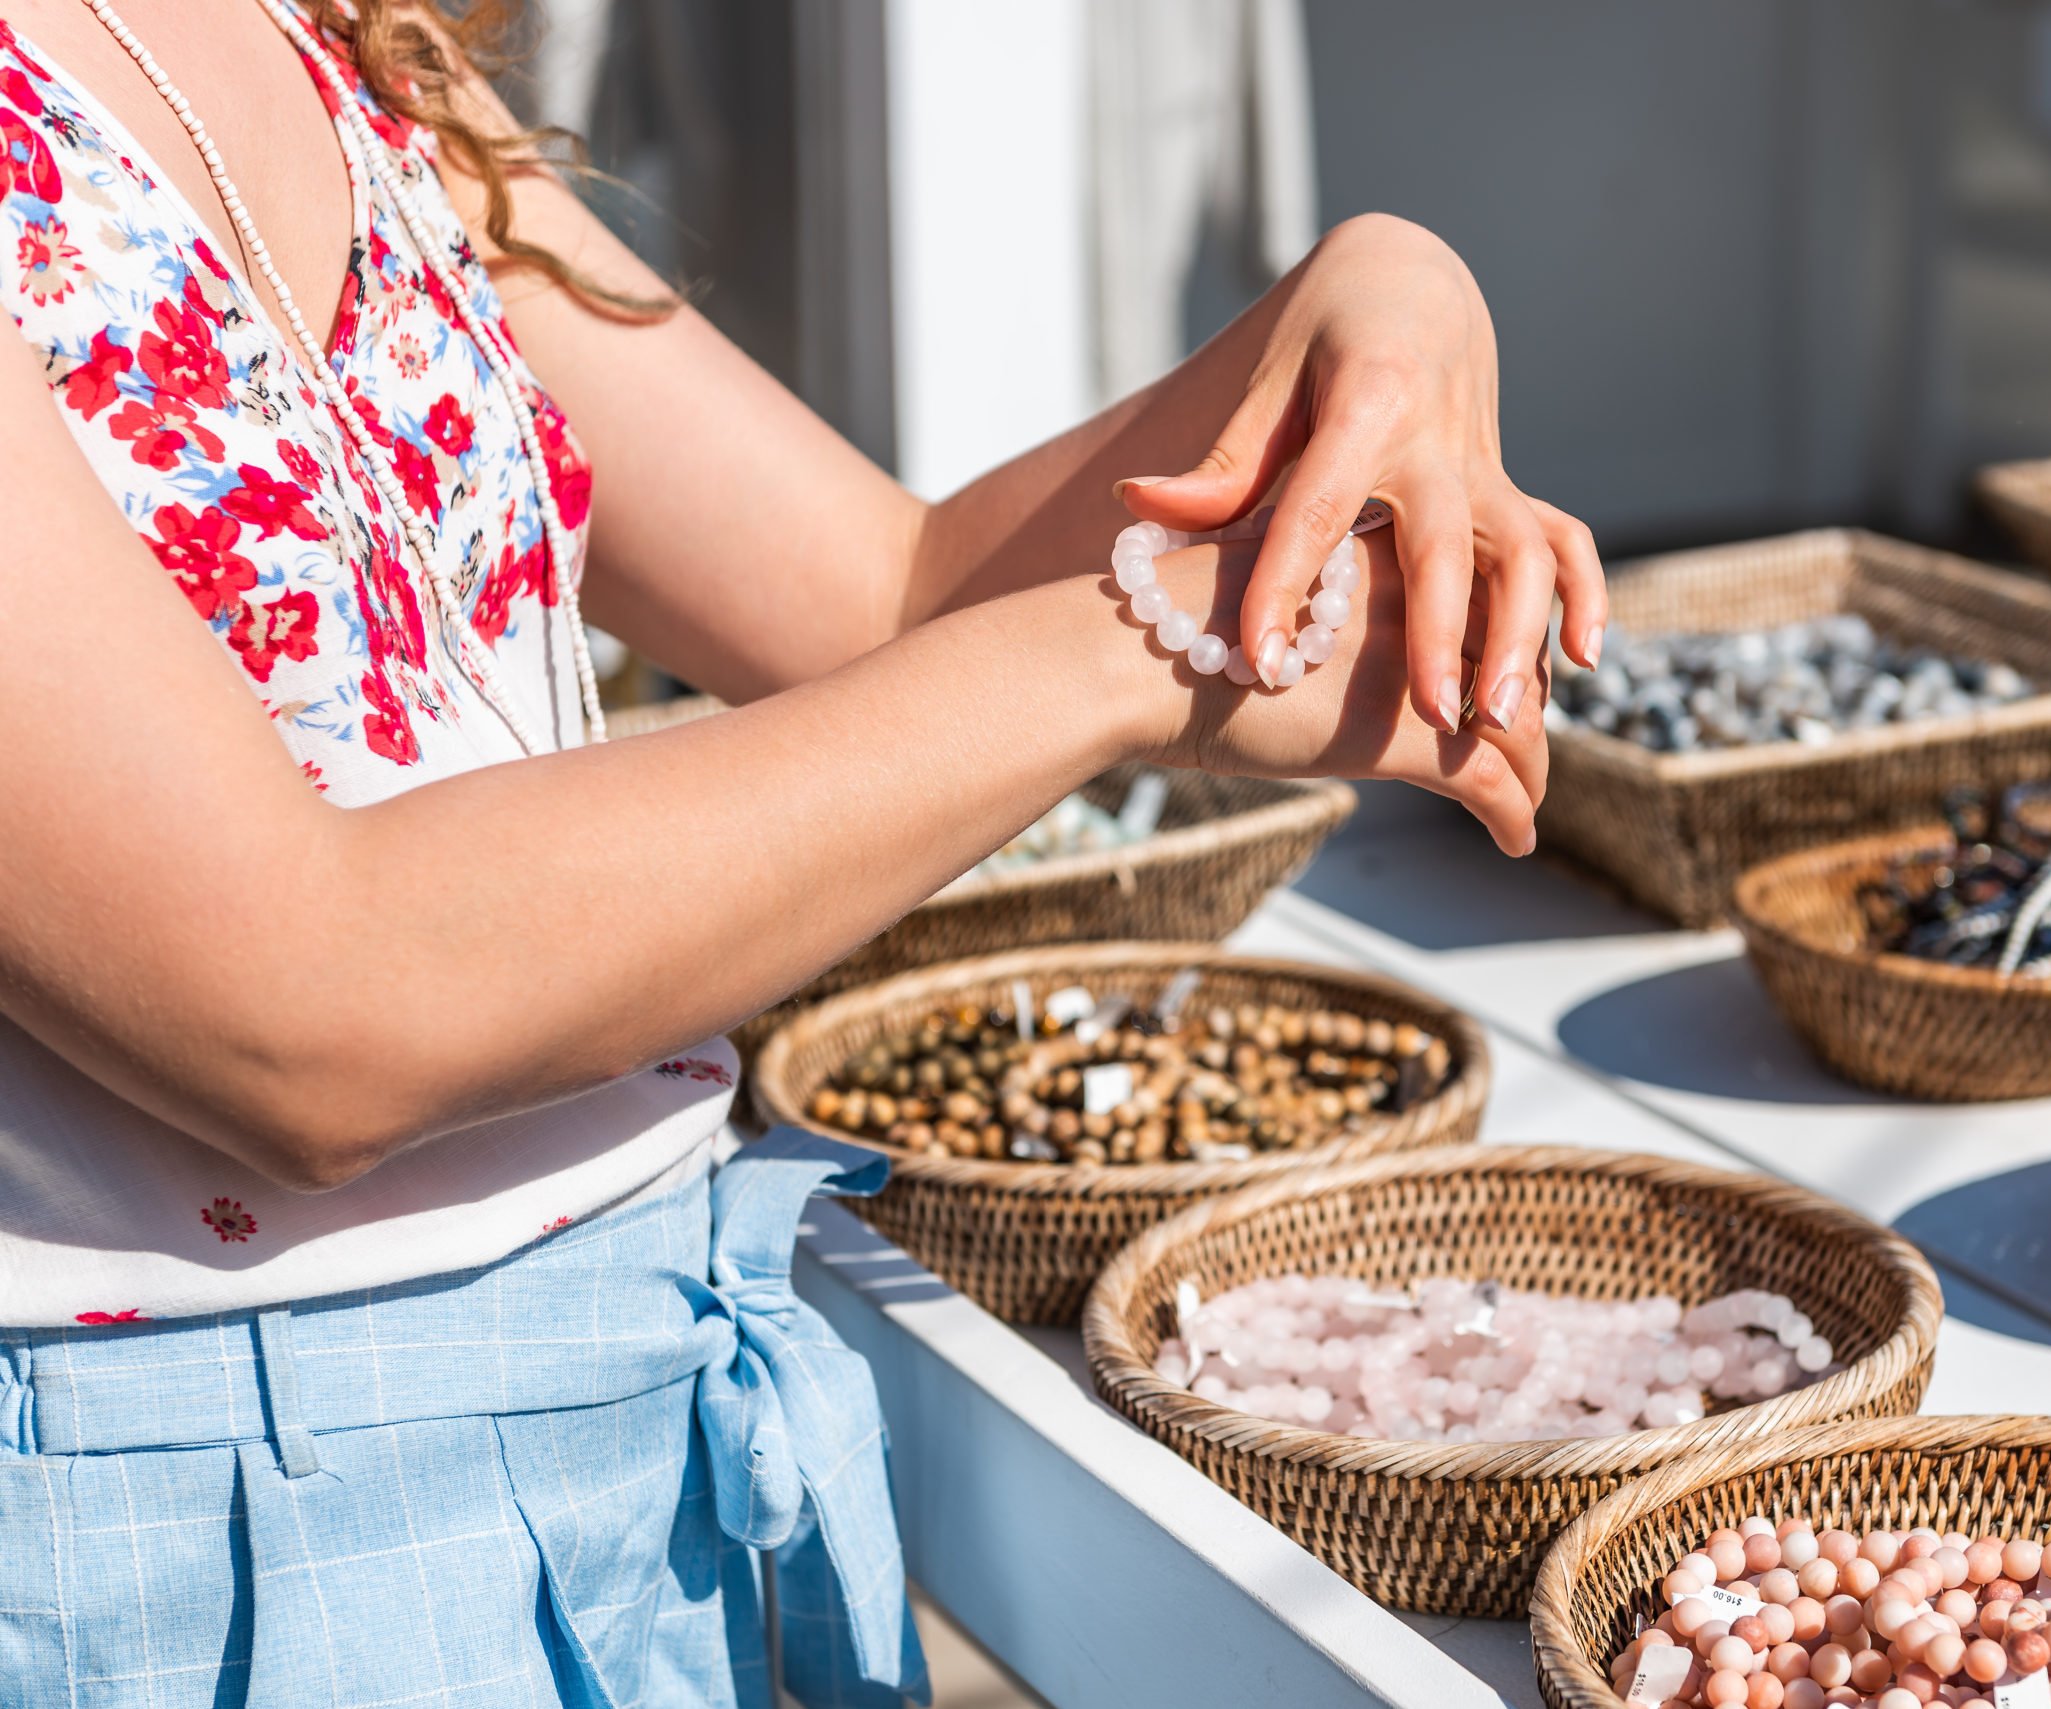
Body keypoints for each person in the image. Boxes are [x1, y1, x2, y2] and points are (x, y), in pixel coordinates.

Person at [0, 1, 1602, 1703]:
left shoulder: (320, 31)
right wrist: (1128, 647)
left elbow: (878, 596)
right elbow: (303, 1005)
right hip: (203, 1545)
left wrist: (1368, 296)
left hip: (625, 1451)